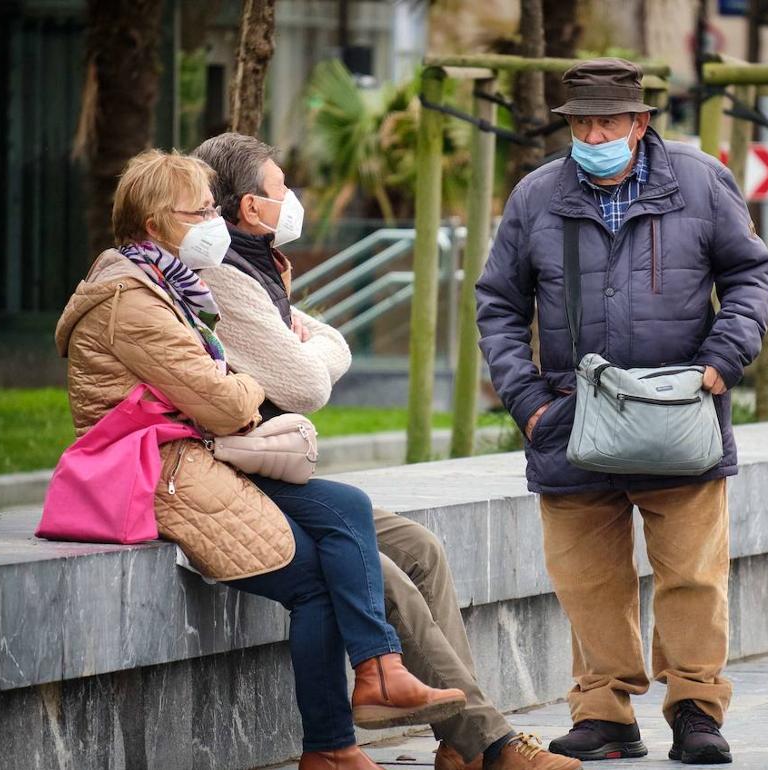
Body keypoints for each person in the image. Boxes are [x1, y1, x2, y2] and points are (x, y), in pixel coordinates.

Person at [53, 149, 465, 770]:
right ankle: (334, 741)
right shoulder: (132, 302)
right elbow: (223, 399)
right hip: (164, 473)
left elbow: (241, 379)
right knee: (315, 582)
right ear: (158, 222)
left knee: (346, 506)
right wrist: (245, 375)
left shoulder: (165, 285)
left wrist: (235, 375)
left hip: (199, 460)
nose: (211, 221)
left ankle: (375, 680)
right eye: (198, 211)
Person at [189, 132, 581, 770]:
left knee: (419, 549)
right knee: (384, 572)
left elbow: (311, 347)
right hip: (236, 476)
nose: (292, 199)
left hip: (265, 466)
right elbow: (307, 382)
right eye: (279, 188)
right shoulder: (225, 278)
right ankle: (492, 745)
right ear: (248, 208)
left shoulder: (260, 268)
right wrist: (316, 345)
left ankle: (459, 742)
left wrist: (310, 340)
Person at [475, 58, 768, 765]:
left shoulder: (701, 182)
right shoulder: (537, 195)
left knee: (694, 574)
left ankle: (697, 708)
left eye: (608, 120)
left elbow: (751, 274)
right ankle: (604, 711)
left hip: (681, 414)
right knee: (588, 579)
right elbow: (498, 303)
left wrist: (720, 365)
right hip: (572, 421)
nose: (593, 133)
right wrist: (528, 404)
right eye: (581, 122)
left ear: (640, 123)